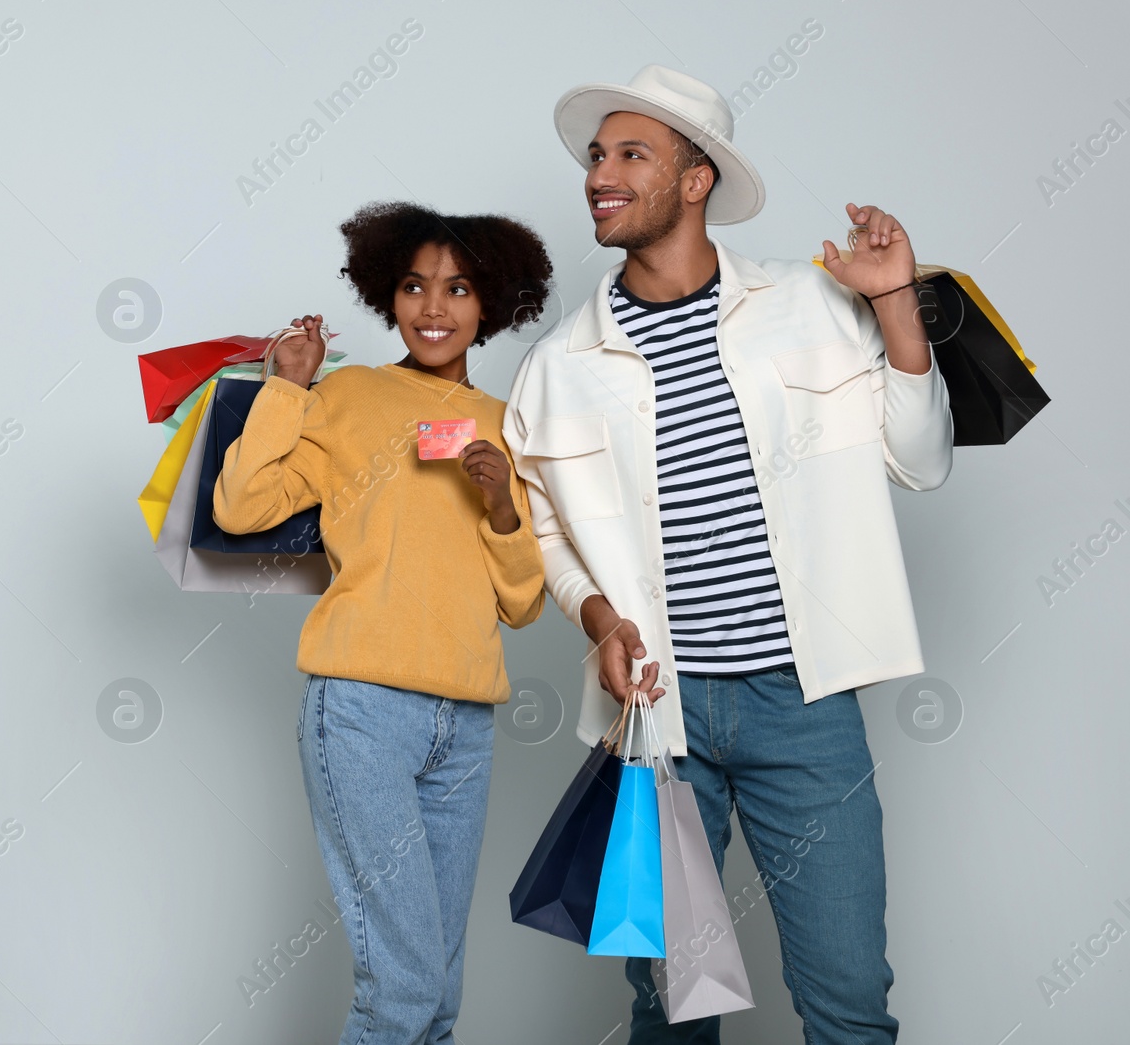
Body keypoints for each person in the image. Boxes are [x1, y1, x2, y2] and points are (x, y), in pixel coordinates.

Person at [504, 65, 953, 1044]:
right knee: (671, 1002)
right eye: (595, 156)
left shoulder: (811, 302)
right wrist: (593, 616)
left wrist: (893, 307)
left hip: (806, 701)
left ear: (697, 178)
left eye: (631, 154)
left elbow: (920, 463)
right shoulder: (557, 366)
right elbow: (542, 528)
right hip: (656, 722)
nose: (598, 174)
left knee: (846, 999)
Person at [213, 200, 551, 1045]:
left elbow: (523, 602)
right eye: (414, 286)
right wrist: (287, 388)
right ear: (386, 295)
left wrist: (501, 506)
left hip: (465, 725)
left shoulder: (510, 424)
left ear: (491, 304)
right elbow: (242, 503)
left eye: (458, 288)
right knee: (399, 987)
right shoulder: (352, 395)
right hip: (362, 709)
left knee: (435, 992)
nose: (434, 308)